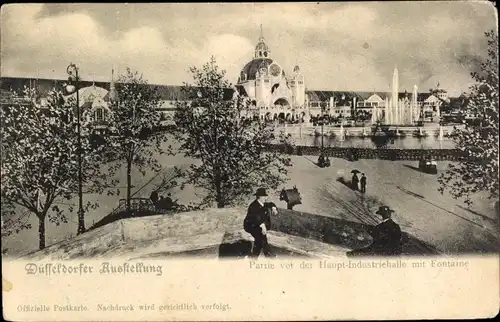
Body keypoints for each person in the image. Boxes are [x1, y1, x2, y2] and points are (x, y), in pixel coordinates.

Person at [243, 188, 277, 258]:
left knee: (259, 240)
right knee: (261, 235)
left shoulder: (262, 204)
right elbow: (255, 218)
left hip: (257, 225)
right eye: (265, 196)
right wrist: (262, 226)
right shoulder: (253, 206)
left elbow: (270, 204)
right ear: (260, 197)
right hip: (250, 225)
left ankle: (254, 257)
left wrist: (273, 207)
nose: (266, 198)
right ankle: (268, 255)